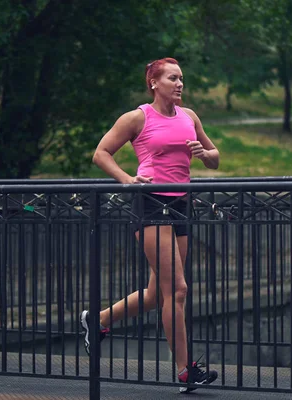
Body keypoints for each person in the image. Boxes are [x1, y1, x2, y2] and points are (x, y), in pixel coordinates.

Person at [80, 57, 220, 392]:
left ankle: (98, 319)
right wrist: (128, 179)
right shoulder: (137, 118)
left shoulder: (190, 117)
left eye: (182, 78)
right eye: (173, 78)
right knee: (179, 290)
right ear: (154, 82)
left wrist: (203, 153)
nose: (180, 84)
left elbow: (215, 159)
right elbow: (101, 153)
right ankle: (186, 371)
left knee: (159, 293)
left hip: (181, 204)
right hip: (152, 203)